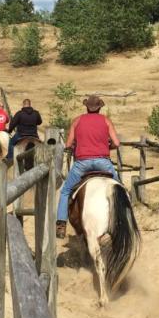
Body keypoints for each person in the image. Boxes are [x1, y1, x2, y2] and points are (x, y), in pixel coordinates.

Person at [56, 94, 121, 239]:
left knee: (65, 191)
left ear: (87, 107)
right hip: (103, 163)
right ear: (99, 108)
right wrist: (106, 146)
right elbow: (116, 143)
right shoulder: (106, 120)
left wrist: (75, 146)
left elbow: (67, 145)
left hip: (82, 164)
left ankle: (61, 224)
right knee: (121, 190)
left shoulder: (77, 121)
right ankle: (127, 217)